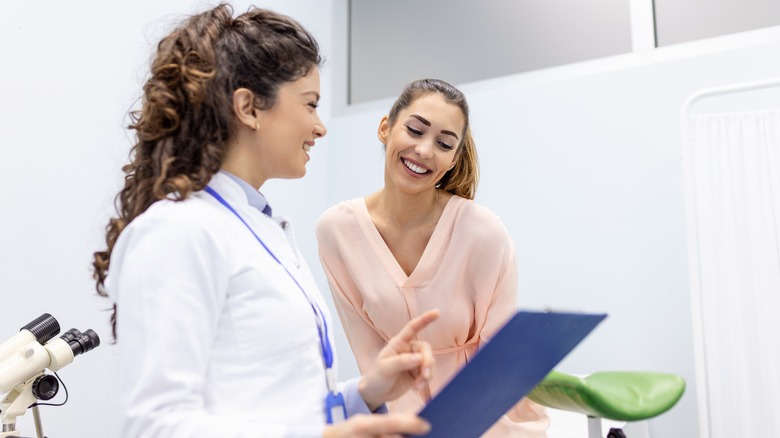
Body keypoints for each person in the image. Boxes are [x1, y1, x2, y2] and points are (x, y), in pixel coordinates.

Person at [92, 5, 439, 437]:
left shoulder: (260, 228)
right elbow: (156, 426)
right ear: (249, 108)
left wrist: (365, 393)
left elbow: (272, 402)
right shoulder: (178, 232)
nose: (320, 126)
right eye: (310, 104)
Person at [315, 78, 550, 437]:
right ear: (385, 128)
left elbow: (500, 360)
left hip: (492, 420)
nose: (425, 150)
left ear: (454, 158)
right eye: (414, 130)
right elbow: (371, 356)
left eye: (444, 143)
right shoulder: (337, 231)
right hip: (404, 422)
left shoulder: (484, 232)